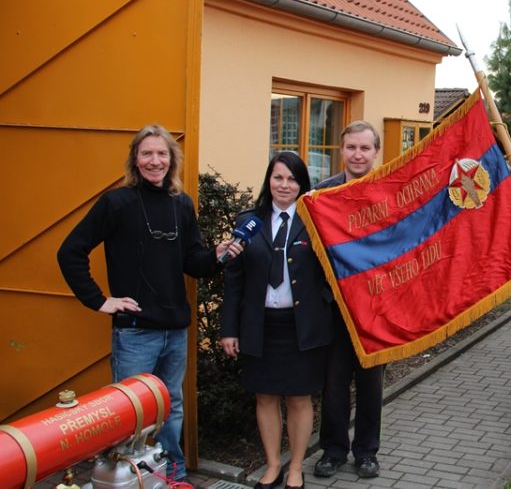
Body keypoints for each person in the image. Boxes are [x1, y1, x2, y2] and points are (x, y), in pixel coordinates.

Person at [57, 124, 242, 482]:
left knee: (171, 408)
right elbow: (70, 252)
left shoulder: (181, 203)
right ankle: (131, 478)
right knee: (131, 413)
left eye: (162, 154)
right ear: (135, 159)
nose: (155, 161)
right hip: (136, 331)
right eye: (147, 154)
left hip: (175, 329)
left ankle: (171, 474)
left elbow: (192, 262)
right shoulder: (116, 203)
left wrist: (216, 255)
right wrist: (100, 301)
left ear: (172, 159)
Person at [220, 152, 333, 489]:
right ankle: (272, 465)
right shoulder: (248, 221)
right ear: (269, 180)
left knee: (299, 398)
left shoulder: (316, 219)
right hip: (260, 325)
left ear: (303, 184)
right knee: (265, 397)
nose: (284, 185)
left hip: (302, 327)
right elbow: (234, 281)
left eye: (292, 179)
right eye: (278, 177)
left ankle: (296, 467)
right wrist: (229, 329)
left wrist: (322, 304)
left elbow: (334, 270)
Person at [312, 120, 386, 479]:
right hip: (336, 309)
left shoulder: (389, 191)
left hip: (376, 309)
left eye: (365, 148)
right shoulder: (321, 196)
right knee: (334, 383)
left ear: (376, 152)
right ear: (341, 151)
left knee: (371, 385)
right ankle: (334, 450)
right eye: (351, 148)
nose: (358, 154)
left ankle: (367, 452)